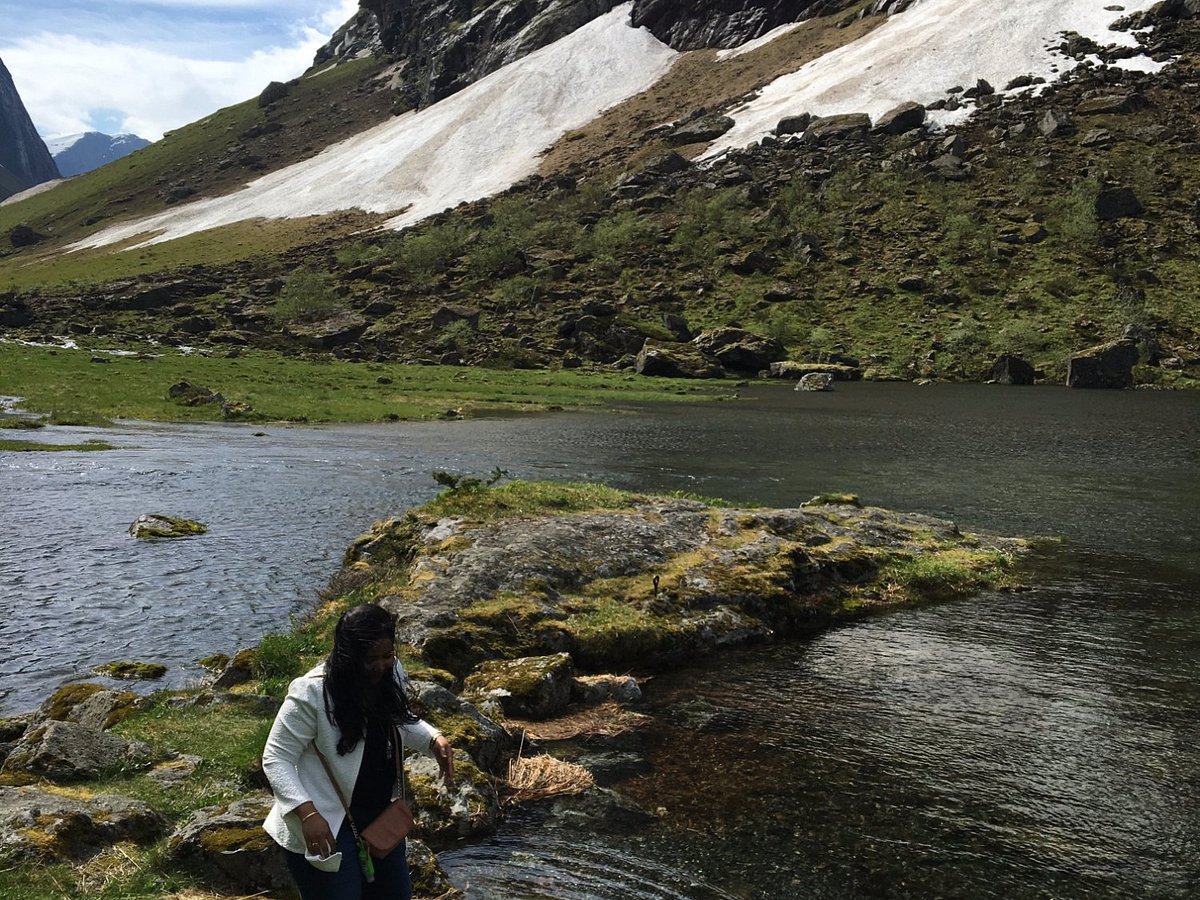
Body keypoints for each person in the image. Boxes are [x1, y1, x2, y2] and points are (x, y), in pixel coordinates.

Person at [262, 603, 455, 899]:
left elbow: (397, 719)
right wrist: (307, 814)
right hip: (326, 824)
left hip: (380, 818)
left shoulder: (391, 673)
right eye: (370, 659)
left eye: (387, 655)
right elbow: (276, 758)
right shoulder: (311, 693)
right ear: (348, 657)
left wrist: (432, 740)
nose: (380, 665)